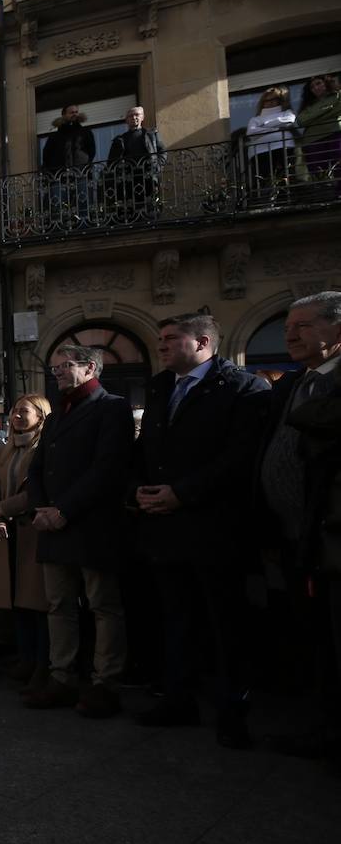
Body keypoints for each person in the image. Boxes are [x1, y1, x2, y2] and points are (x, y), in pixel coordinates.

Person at [130, 314, 269, 747]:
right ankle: (179, 699)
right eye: (160, 339)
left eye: (171, 338)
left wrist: (184, 494)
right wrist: (137, 490)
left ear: (204, 341)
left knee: (224, 622)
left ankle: (232, 709)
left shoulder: (243, 388)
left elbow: (241, 456)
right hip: (164, 528)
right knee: (177, 618)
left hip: (215, 529)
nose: (161, 345)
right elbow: (146, 449)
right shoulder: (160, 387)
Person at [24, 345, 135, 718]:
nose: (56, 373)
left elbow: (107, 468)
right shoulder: (56, 416)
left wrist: (64, 510)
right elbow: (37, 469)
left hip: (91, 524)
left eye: (64, 366)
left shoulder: (111, 407)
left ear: (90, 368)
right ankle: (62, 677)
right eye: (53, 368)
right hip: (53, 525)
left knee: (103, 605)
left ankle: (106, 682)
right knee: (59, 605)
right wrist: (42, 508)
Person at [258, 291, 341, 762]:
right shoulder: (293, 384)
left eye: (304, 326)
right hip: (292, 537)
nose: (290, 334)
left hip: (329, 536)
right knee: (313, 640)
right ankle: (322, 724)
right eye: (288, 325)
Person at [0, 394, 52, 694]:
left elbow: (39, 490)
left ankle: (44, 664)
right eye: (14, 411)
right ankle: (25, 658)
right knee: (17, 601)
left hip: (34, 533)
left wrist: (4, 509)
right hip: (8, 534)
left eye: (23, 411)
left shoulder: (44, 448)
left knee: (38, 603)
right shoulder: (8, 448)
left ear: (41, 415)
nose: (15, 416)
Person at [104, 106, 164, 221]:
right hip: (128, 179)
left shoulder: (151, 134)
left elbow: (162, 152)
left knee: (149, 205)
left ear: (143, 117)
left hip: (148, 176)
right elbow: (111, 163)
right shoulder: (120, 140)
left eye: (137, 115)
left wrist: (157, 166)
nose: (134, 117)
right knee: (131, 206)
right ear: (126, 120)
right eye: (131, 116)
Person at [40, 103, 97, 224]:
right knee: (58, 204)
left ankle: (84, 224)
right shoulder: (54, 137)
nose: (75, 114)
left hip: (81, 173)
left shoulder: (85, 132)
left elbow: (92, 151)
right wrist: (52, 172)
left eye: (76, 112)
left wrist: (84, 164)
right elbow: (46, 156)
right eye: (71, 112)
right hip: (59, 176)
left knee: (83, 202)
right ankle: (59, 225)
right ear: (64, 115)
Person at [245, 86, 297, 203]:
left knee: (283, 175)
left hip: (283, 147)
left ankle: (284, 200)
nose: (270, 103)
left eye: (274, 99)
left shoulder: (286, 112)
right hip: (259, 152)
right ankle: (266, 201)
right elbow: (251, 132)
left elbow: (289, 121)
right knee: (265, 178)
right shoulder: (255, 119)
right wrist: (277, 127)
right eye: (267, 100)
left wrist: (263, 126)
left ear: (280, 100)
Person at [297, 74, 341, 191]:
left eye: (318, 83)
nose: (316, 87)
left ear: (326, 83)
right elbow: (301, 121)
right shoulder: (308, 105)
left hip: (334, 135)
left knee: (338, 167)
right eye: (312, 87)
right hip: (312, 141)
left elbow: (338, 109)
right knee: (319, 173)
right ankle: (325, 196)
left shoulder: (337, 95)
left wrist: (314, 117)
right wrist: (328, 109)